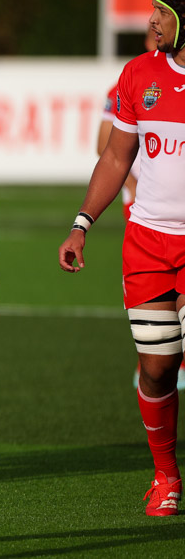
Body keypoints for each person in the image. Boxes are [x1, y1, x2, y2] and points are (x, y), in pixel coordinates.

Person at [60, 0, 185, 517]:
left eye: (162, 11)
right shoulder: (138, 75)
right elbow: (116, 158)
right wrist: (82, 222)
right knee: (157, 368)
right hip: (148, 244)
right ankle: (166, 476)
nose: (152, 20)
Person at [96, 34, 185, 390]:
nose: (153, 32)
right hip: (145, 210)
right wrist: (131, 185)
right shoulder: (127, 81)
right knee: (152, 305)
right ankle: (151, 361)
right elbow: (106, 146)